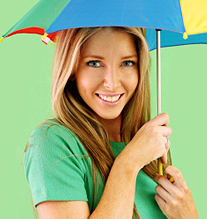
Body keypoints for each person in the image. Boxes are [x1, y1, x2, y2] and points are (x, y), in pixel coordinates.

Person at [24, 26, 198, 219]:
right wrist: (129, 162)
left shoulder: (149, 142)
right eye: (94, 63)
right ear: (72, 68)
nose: (112, 83)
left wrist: (188, 216)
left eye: (127, 63)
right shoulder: (53, 143)